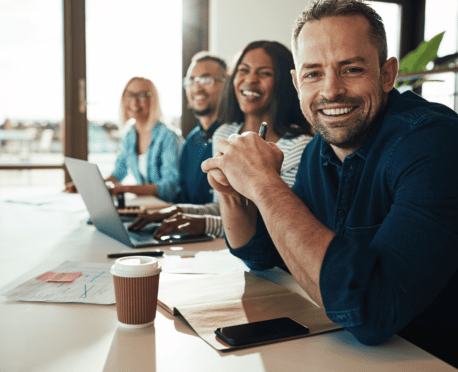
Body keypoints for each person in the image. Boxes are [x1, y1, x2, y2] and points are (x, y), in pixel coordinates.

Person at [201, 0, 458, 367]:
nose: (331, 90)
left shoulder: (433, 143)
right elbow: (265, 256)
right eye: (313, 74)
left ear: (387, 75)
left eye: (351, 69)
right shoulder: (318, 152)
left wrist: (264, 185)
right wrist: (232, 188)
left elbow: (372, 310)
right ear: (296, 83)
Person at [130, 41, 314, 239]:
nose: (250, 79)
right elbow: (223, 208)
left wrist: (204, 224)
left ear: (284, 83)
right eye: (243, 70)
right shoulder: (224, 134)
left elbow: (276, 221)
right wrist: (175, 211)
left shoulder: (300, 147)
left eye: (264, 73)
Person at [65, 77, 182, 202]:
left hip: (170, 209)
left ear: (153, 100)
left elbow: (169, 188)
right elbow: (117, 174)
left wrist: (124, 189)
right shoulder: (129, 136)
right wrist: (88, 186)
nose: (134, 101)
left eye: (142, 95)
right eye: (129, 95)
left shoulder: (169, 137)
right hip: (149, 206)